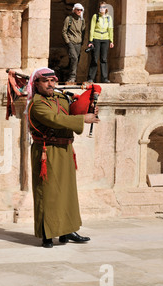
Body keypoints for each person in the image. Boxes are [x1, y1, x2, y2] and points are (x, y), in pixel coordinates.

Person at [26, 67, 99, 248]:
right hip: (47, 151)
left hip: (65, 149)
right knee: (48, 193)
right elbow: (56, 119)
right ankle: (47, 234)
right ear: (36, 84)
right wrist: (84, 120)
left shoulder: (60, 97)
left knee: (67, 192)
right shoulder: (37, 104)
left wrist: (87, 106)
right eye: (45, 81)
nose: (51, 84)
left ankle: (68, 230)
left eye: (53, 81)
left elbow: (71, 111)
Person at [87, 1, 114, 83]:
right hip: (96, 38)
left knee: (104, 59)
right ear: (99, 8)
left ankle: (105, 78)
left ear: (106, 9)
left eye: (104, 7)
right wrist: (90, 41)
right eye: (101, 7)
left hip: (105, 39)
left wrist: (111, 41)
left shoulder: (109, 18)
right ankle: (91, 78)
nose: (102, 9)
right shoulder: (95, 17)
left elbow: (110, 29)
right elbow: (92, 29)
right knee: (94, 58)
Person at [62, 3, 85, 84]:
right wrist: (68, 41)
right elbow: (64, 31)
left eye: (80, 10)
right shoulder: (69, 19)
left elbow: (83, 31)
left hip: (78, 43)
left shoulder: (82, 20)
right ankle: (72, 77)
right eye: (77, 9)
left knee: (75, 60)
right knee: (74, 58)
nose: (79, 11)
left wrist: (82, 42)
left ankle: (69, 76)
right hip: (71, 42)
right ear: (74, 10)